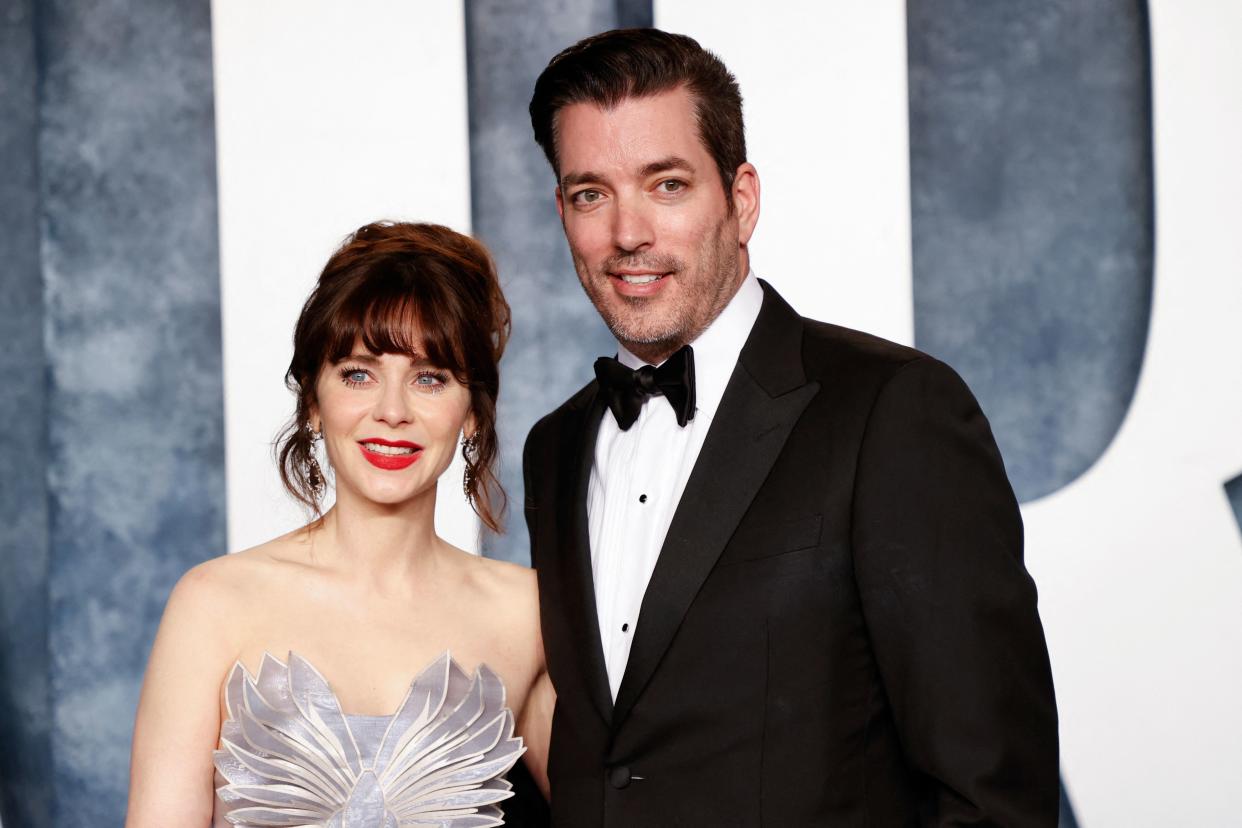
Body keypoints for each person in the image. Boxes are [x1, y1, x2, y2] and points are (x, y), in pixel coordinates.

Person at [522, 28, 1059, 826]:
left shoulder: (894, 410)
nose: (627, 233)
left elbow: (992, 791)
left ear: (741, 200)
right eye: (590, 193)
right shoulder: (556, 448)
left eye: (666, 185)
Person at [126, 222, 553, 827]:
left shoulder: (528, 614)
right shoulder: (213, 605)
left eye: (430, 377)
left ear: (472, 416)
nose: (392, 411)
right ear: (314, 404)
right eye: (358, 374)